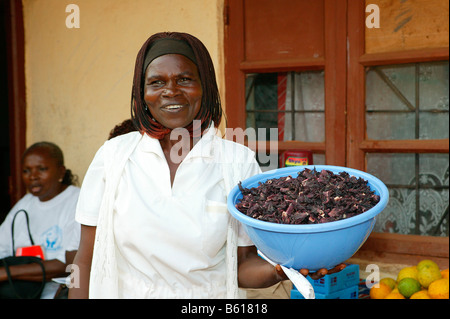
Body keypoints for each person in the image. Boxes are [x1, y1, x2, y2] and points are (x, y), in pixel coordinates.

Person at [70, 32, 339, 299]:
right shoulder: (114, 156)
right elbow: (85, 259)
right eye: (156, 82)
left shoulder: (237, 162)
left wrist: (283, 270)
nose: (171, 91)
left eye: (185, 80)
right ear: (142, 93)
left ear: (205, 86)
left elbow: (241, 265)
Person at [0, 142, 81, 299]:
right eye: (26, 171)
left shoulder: (76, 200)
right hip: (19, 291)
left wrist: (6, 273)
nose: (33, 176)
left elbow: (67, 264)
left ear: (61, 172)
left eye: (42, 169)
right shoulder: (26, 203)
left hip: (58, 293)